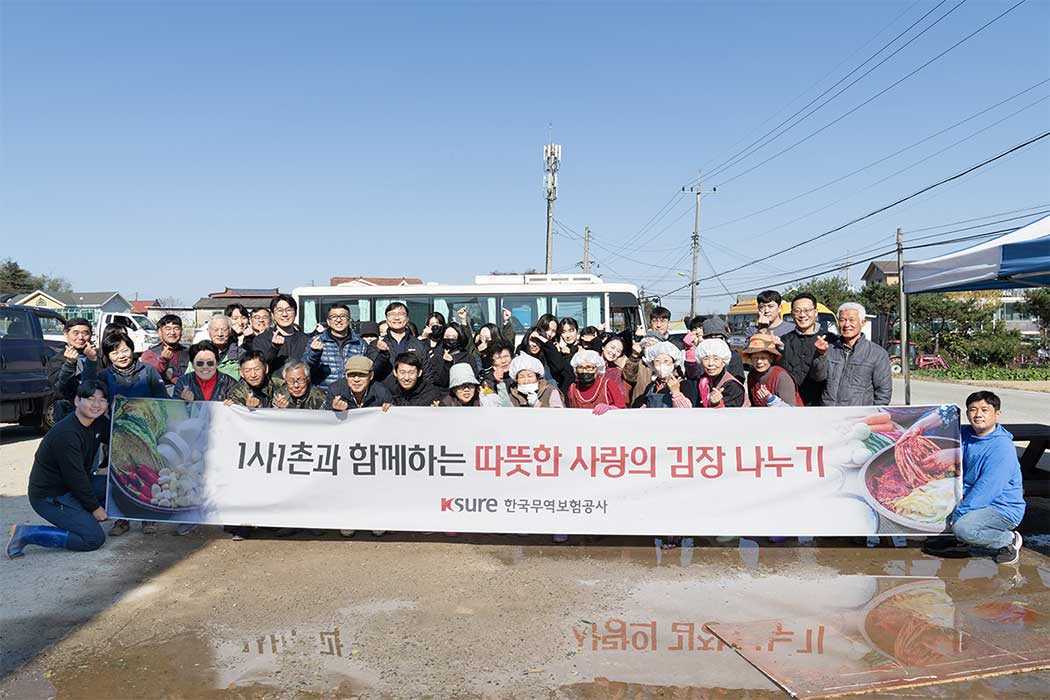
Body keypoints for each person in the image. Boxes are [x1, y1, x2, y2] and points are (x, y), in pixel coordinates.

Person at [7, 381, 111, 558]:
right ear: (77, 401)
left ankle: (79, 516)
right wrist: (95, 508)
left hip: (72, 487)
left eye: (102, 400)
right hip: (50, 496)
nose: (96, 404)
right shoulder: (66, 435)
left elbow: (118, 440)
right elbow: (76, 477)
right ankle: (27, 533)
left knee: (115, 487)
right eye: (91, 399)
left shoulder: (98, 422)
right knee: (93, 538)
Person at [922, 392, 1025, 564]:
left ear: (997, 414)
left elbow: (987, 489)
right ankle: (959, 541)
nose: (978, 415)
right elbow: (937, 424)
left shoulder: (1001, 447)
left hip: (1000, 507)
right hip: (970, 498)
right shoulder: (966, 434)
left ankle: (1007, 540)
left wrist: (960, 513)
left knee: (964, 528)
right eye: (972, 410)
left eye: (985, 410)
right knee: (929, 503)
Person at [816, 302, 892, 406]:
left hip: (858, 418)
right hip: (829, 415)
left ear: (863, 322)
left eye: (852, 320)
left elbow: (883, 393)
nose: (847, 325)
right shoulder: (829, 348)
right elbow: (818, 377)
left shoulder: (877, 354)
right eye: (842, 320)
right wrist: (820, 355)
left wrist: (871, 417)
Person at [780, 293, 834, 406]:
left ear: (816, 312)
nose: (802, 315)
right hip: (792, 405)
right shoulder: (784, 340)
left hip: (822, 406)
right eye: (797, 310)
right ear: (791, 314)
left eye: (807, 310)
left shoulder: (830, 339)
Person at [303, 303, 371, 392]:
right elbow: (305, 369)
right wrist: (314, 353)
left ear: (349, 320)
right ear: (328, 321)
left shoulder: (360, 343)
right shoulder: (316, 341)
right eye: (334, 316)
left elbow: (367, 370)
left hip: (350, 395)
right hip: (322, 395)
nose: (338, 320)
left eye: (343, 316)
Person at [47, 317, 99, 420]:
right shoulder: (57, 360)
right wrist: (70, 363)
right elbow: (60, 388)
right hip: (69, 413)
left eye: (85, 333)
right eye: (76, 333)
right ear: (66, 334)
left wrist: (92, 359)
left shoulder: (100, 357)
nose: (81, 337)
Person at [373, 302, 432, 384]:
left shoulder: (419, 345)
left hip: (413, 395)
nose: (396, 318)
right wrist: (382, 355)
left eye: (401, 314)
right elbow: (371, 372)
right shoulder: (375, 345)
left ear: (407, 318)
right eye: (392, 314)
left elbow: (427, 376)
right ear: (386, 319)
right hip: (384, 394)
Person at [254, 294, 311, 377]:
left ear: (295, 313)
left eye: (289, 310)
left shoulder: (306, 340)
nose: (284, 314)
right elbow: (260, 366)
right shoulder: (261, 339)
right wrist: (274, 348)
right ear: (273, 314)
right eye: (280, 310)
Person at [742, 334, 801, 408]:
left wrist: (770, 399)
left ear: (771, 358)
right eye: (755, 357)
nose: (759, 361)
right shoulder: (751, 376)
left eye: (763, 358)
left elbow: (790, 411)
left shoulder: (782, 377)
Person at [632, 341, 696, 408]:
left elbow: (687, 411)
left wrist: (676, 393)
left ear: (674, 364)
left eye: (666, 361)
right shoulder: (651, 387)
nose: (661, 365)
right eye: (657, 361)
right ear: (652, 365)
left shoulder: (684, 384)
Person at [140, 314, 189, 396]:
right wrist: (164, 360)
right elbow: (152, 377)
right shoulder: (150, 354)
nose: (172, 333)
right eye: (168, 329)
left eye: (176, 328)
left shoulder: (189, 352)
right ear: (159, 332)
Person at [695, 338, 746, 408]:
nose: (710, 364)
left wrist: (717, 404)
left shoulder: (733, 386)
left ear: (724, 362)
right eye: (706, 359)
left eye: (716, 359)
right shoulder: (703, 382)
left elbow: (731, 414)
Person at [329, 356, 393, 410]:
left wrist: (390, 409)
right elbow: (325, 420)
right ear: (346, 376)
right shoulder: (335, 390)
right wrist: (335, 411)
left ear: (371, 375)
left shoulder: (381, 392)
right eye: (352, 375)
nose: (356, 379)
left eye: (362, 375)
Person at [432, 322, 481, 393]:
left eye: (454, 337)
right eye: (447, 336)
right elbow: (439, 381)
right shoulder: (437, 355)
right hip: (443, 396)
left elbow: (474, 379)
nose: (450, 339)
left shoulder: (468, 357)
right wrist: (447, 364)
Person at [206, 315, 245, 380]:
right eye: (215, 330)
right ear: (209, 332)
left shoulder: (240, 355)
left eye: (224, 330)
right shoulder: (199, 353)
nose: (220, 334)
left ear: (230, 332)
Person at [479, 341, 515, 407]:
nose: (503, 361)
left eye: (506, 356)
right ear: (492, 363)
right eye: (498, 358)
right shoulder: (488, 381)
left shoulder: (518, 375)